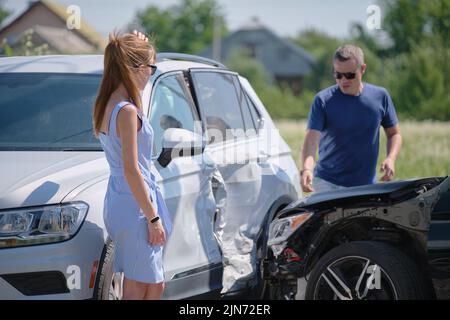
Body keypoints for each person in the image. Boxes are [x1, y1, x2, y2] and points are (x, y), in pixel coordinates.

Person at [92, 30, 171, 300]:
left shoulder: (110, 103)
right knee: (142, 285)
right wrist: (153, 217)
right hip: (134, 202)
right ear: (136, 68)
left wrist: (140, 45)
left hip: (124, 197)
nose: (151, 73)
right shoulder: (125, 110)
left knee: (152, 283)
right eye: (151, 66)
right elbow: (131, 169)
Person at [300, 44, 402, 193]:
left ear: (362, 69)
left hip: (366, 185)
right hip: (327, 182)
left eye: (349, 75)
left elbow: (394, 134)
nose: (343, 80)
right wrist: (307, 169)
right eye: (338, 75)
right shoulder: (322, 100)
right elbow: (311, 141)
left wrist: (390, 158)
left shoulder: (380, 96)